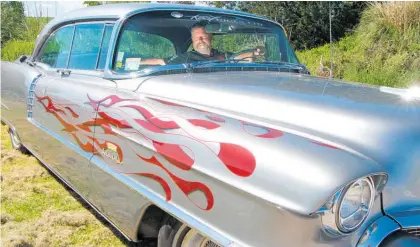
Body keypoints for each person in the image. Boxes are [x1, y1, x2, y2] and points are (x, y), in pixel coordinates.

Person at [140, 23, 264, 66]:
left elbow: (239, 57)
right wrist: (133, 63)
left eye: (203, 37)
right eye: (196, 38)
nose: (200, 40)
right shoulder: (185, 58)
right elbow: (161, 62)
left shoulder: (223, 55)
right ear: (193, 41)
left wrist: (255, 52)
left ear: (211, 39)